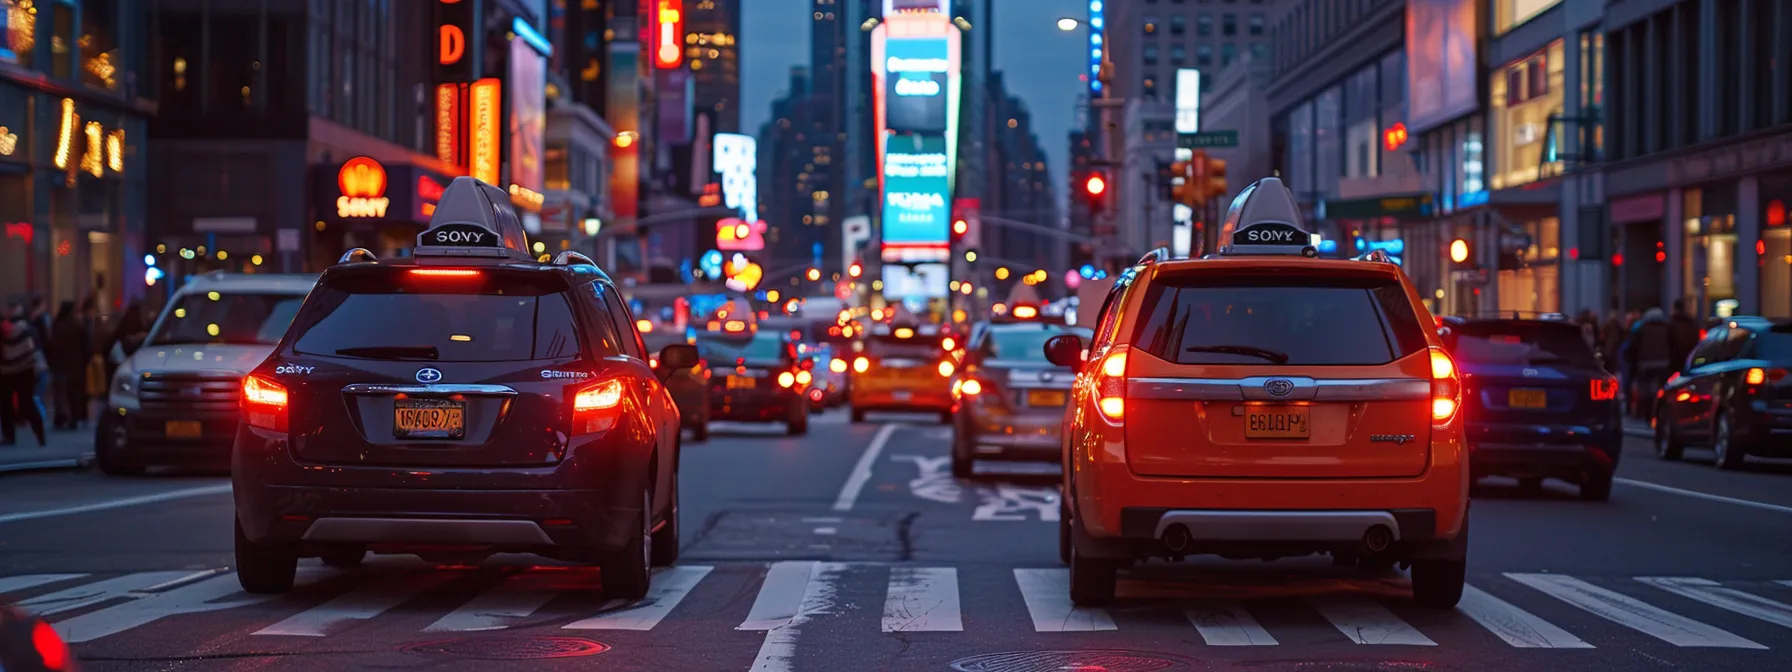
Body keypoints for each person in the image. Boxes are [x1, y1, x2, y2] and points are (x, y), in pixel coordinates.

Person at [1, 301, 48, 447]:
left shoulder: (3, 330)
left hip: (6, 372)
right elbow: (34, 348)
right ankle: (40, 434)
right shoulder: (28, 328)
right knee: (27, 403)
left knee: (6, 404)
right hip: (26, 370)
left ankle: (10, 435)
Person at [1624, 307, 1674, 419]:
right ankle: (1661, 411)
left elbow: (1633, 347)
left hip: (1645, 363)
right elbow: (1673, 345)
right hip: (1663, 363)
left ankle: (1647, 412)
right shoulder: (1667, 329)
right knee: (1662, 388)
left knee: (1645, 389)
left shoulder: (1642, 329)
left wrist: (1633, 361)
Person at [50, 300, 92, 429]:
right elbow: (86, 346)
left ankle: (61, 416)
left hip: (61, 364)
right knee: (75, 392)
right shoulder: (78, 326)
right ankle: (75, 417)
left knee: (62, 393)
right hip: (76, 365)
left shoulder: (57, 326)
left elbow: (52, 346)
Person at [1667, 299, 1701, 372]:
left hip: (1676, 359)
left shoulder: (1672, 324)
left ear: (1674, 309)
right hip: (1690, 357)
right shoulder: (1692, 323)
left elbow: (1669, 342)